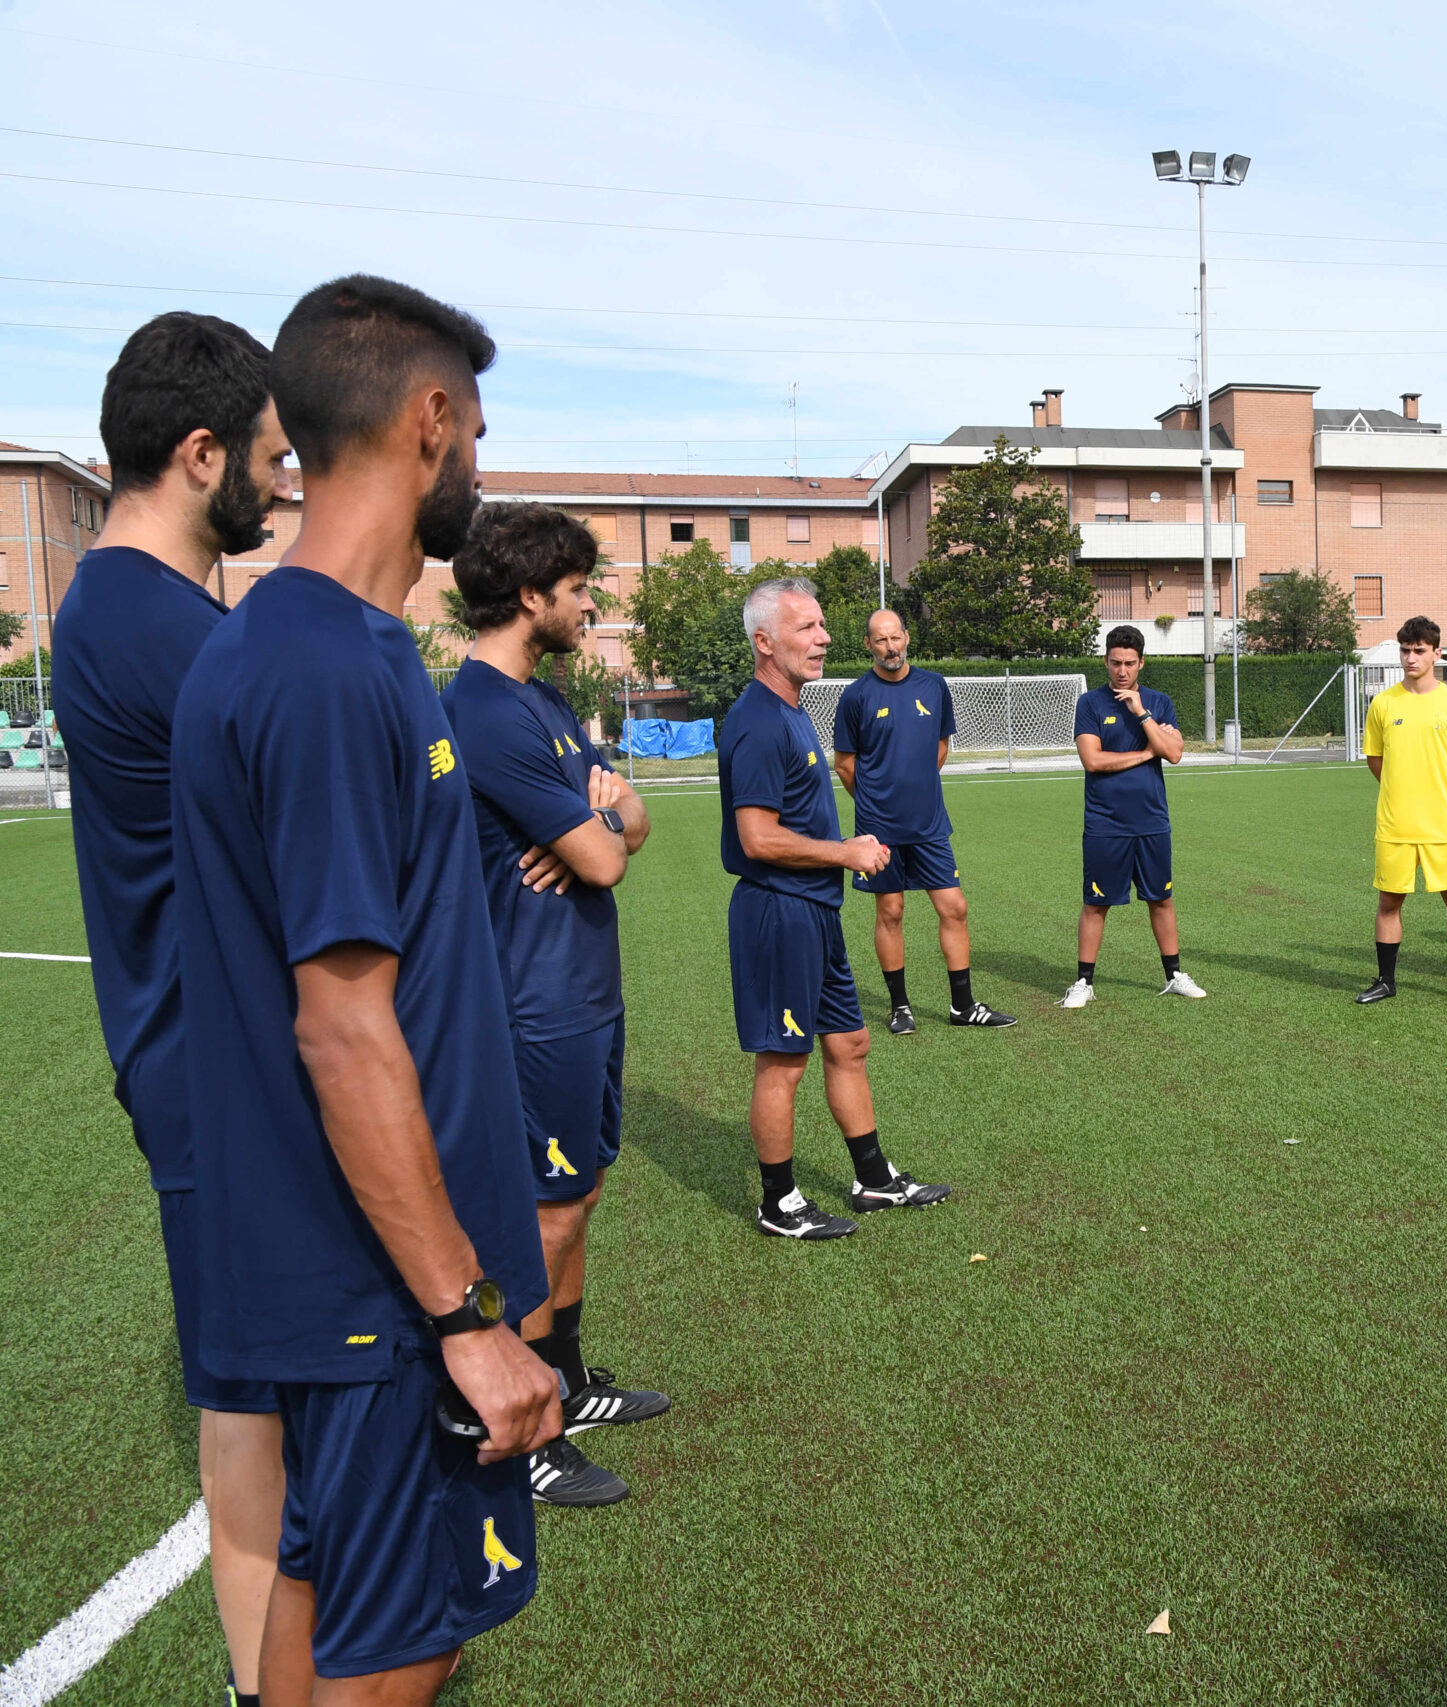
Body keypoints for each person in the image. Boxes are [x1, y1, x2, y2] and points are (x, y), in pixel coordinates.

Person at [170, 274, 557, 1704]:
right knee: (405, 1640)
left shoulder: (304, 645)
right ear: (431, 417)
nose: (480, 464)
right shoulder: (328, 665)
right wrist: (464, 1314)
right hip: (385, 1296)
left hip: (348, 1281)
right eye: (479, 431)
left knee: (324, 1589)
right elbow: (342, 1024)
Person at [53, 310, 292, 1707]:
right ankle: (265, 1683)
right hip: (216, 1065)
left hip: (216, 1051)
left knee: (283, 1376)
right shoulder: (150, 617)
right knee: (250, 1395)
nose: (284, 482)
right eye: (269, 455)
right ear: (202, 454)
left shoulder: (159, 608)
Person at [442, 503, 670, 1509]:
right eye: (578, 589)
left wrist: (602, 812)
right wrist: (599, 816)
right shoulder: (487, 712)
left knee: (582, 1193)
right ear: (530, 596)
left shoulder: (543, 703)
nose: (589, 604)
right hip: (534, 1004)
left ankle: (569, 1384)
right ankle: (522, 1423)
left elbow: (633, 818)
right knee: (544, 1211)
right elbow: (605, 854)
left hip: (583, 989)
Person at [722, 579, 949, 1238]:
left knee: (849, 1042)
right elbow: (756, 837)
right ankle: (779, 1203)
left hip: (812, 912)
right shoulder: (760, 719)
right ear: (764, 642)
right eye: (806, 628)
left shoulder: (791, 708)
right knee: (783, 1062)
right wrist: (844, 851)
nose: (823, 638)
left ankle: (874, 1178)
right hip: (777, 912)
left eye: (822, 626)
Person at [831, 609, 1016, 1030]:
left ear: (907, 637)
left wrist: (915, 795)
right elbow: (844, 765)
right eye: (880, 640)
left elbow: (940, 748)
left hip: (930, 825)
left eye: (895, 638)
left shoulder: (933, 686)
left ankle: (963, 1007)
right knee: (891, 911)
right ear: (868, 645)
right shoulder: (856, 696)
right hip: (879, 830)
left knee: (954, 907)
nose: (890, 647)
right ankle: (900, 1008)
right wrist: (878, 803)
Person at [1061, 624, 1201, 1006]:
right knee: (1096, 904)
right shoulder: (1089, 704)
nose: (1121, 670)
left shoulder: (1159, 702)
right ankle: (1083, 983)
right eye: (1115, 662)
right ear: (1105, 661)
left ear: (1141, 663)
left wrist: (1141, 714)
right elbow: (1092, 760)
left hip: (1152, 820)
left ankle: (1174, 975)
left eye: (1129, 663)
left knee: (1162, 899)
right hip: (1106, 823)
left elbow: (1173, 753)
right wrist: (1144, 752)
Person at [1359, 615, 1447, 1003]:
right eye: (1405, 650)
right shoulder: (1383, 703)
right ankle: (1385, 981)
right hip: (1395, 824)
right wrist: (1404, 791)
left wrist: (1437, 792)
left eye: (1419, 650)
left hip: (1444, 824)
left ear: (1436, 653)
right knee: (1389, 902)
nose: (1410, 658)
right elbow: (1376, 760)